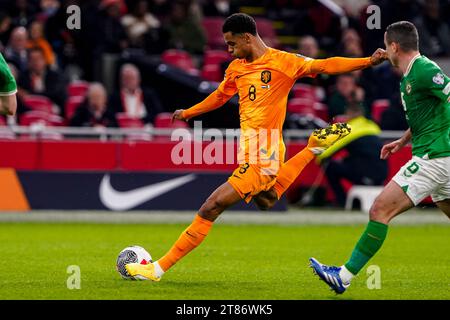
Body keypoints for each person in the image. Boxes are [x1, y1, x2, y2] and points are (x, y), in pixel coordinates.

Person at [125, 13, 387, 281]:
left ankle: (156, 269)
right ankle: (313, 148)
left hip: (265, 152)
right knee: (267, 199)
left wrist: (368, 61)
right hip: (250, 150)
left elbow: (325, 65)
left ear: (247, 38)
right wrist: (190, 112)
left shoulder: (284, 62)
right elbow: (219, 96)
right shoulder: (237, 68)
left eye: (231, 44)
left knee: (211, 206)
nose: (229, 50)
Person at [310, 21, 450, 294]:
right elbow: (428, 115)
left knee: (379, 210)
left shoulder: (424, 69)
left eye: (387, 46)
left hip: (434, 158)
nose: (385, 51)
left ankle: (344, 275)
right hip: (439, 157)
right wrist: (402, 140)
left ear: (394, 46)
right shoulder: (410, 76)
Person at [318, 102, 388, 207]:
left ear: (349, 114)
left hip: (365, 175)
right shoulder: (373, 126)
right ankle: (355, 201)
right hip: (382, 175)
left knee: (330, 167)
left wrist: (319, 159)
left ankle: (342, 201)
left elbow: (325, 154)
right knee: (355, 159)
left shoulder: (349, 128)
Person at [17, 47, 68, 114]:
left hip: (52, 109)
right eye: (32, 59)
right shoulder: (23, 77)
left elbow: (55, 94)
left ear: (44, 60)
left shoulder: (55, 76)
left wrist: (29, 95)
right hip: (30, 111)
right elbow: (21, 98)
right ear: (28, 62)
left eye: (38, 59)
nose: (36, 62)